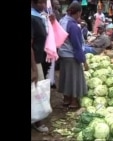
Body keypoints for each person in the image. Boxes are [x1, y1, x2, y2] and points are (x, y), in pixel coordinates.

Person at [58, 2, 88, 109]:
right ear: (79, 12)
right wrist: (84, 61)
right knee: (75, 78)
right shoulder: (73, 26)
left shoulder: (62, 21)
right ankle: (74, 102)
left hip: (63, 54)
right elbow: (77, 46)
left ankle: (66, 99)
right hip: (71, 56)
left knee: (66, 77)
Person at [31, 0, 55, 132]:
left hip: (39, 58)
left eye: (44, 3)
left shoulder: (40, 16)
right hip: (34, 61)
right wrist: (34, 68)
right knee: (37, 90)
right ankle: (38, 121)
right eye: (40, 3)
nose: (43, 6)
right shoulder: (32, 18)